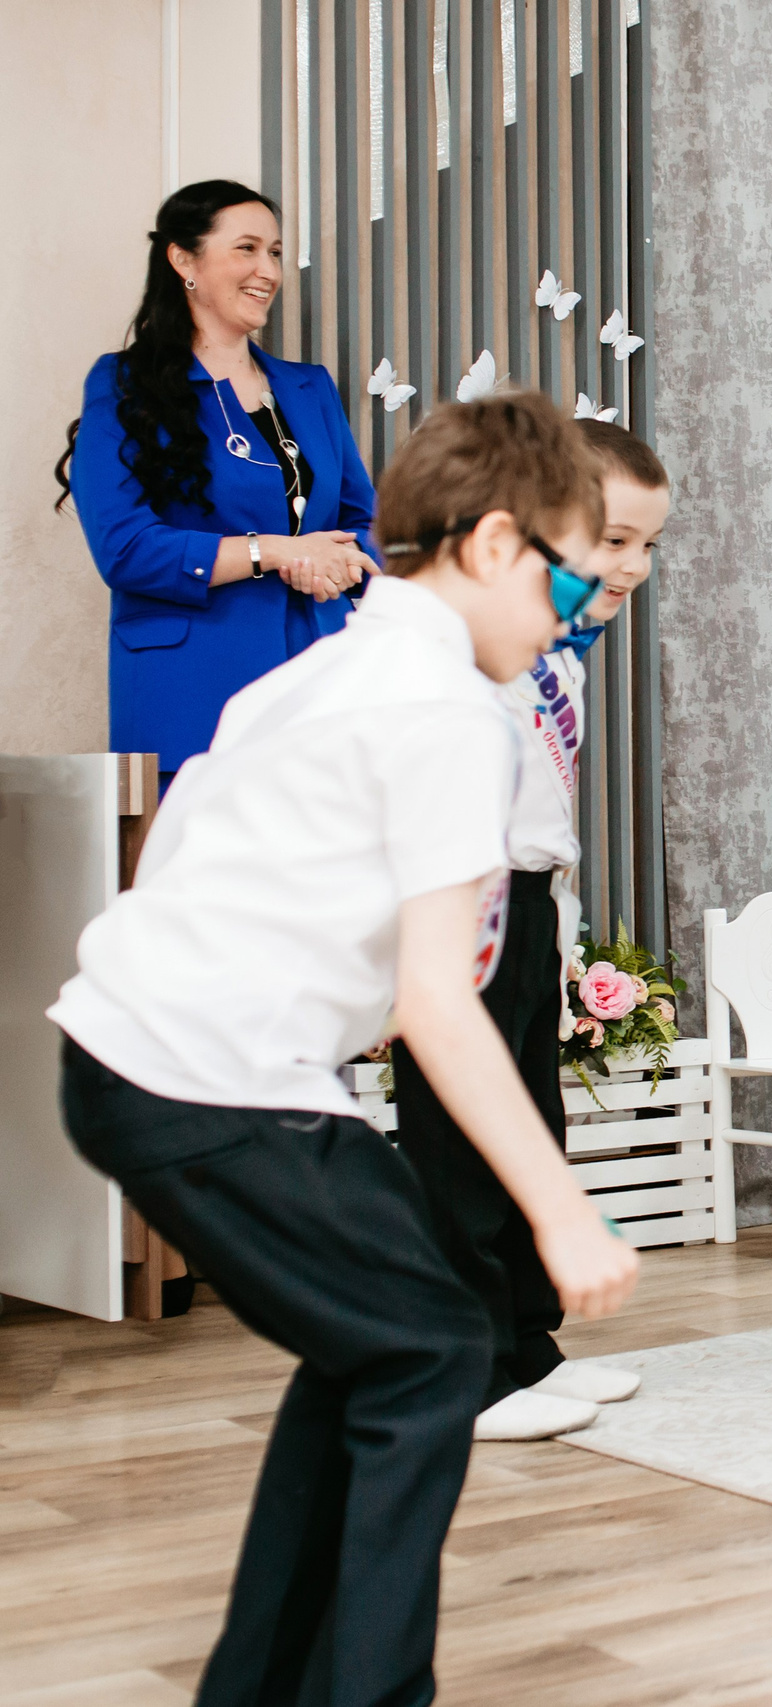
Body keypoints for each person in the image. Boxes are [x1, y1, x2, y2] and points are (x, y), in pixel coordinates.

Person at [49, 393, 639, 1707]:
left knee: (387, 1338)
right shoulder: (446, 713)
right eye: (569, 582)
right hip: (208, 1074)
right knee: (431, 1346)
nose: (572, 618)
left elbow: (200, 825)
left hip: (147, 1052)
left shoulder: (331, 666)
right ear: (494, 545)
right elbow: (441, 1000)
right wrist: (563, 1209)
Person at [390, 418, 672, 1442]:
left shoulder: (564, 656)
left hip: (531, 901)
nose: (631, 566)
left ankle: (524, 1343)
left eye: (648, 544)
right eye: (613, 538)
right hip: (465, 901)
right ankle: (470, 1365)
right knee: (460, 1146)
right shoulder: (475, 648)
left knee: (531, 1122)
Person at [58, 179, 379, 783]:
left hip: (320, 692)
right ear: (184, 260)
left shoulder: (309, 389)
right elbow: (125, 550)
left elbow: (367, 520)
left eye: (276, 252)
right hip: (192, 700)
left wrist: (339, 559)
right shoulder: (125, 384)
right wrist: (277, 551)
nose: (269, 270)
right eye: (247, 249)